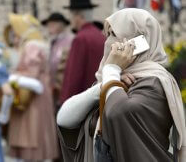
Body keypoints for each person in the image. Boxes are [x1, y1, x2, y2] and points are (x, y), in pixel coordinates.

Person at [57, 8, 186, 162]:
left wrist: (111, 69)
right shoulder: (113, 80)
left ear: (138, 42)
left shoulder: (154, 83)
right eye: (107, 34)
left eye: (114, 34)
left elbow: (118, 113)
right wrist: (102, 86)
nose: (107, 42)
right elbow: (64, 119)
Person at [5, 14, 59, 162]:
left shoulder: (31, 45)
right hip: (40, 91)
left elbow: (31, 73)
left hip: (32, 95)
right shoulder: (36, 42)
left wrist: (11, 75)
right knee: (36, 130)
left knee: (31, 132)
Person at [60, 0, 105, 104]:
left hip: (83, 99)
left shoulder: (80, 38)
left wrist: (66, 102)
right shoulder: (101, 35)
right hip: (99, 94)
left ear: (78, 16)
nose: (70, 20)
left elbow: (74, 74)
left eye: (71, 15)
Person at [41, 12, 74, 108]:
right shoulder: (52, 41)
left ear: (61, 25)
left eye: (52, 25)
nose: (49, 28)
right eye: (49, 25)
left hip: (63, 86)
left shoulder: (70, 40)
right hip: (52, 87)